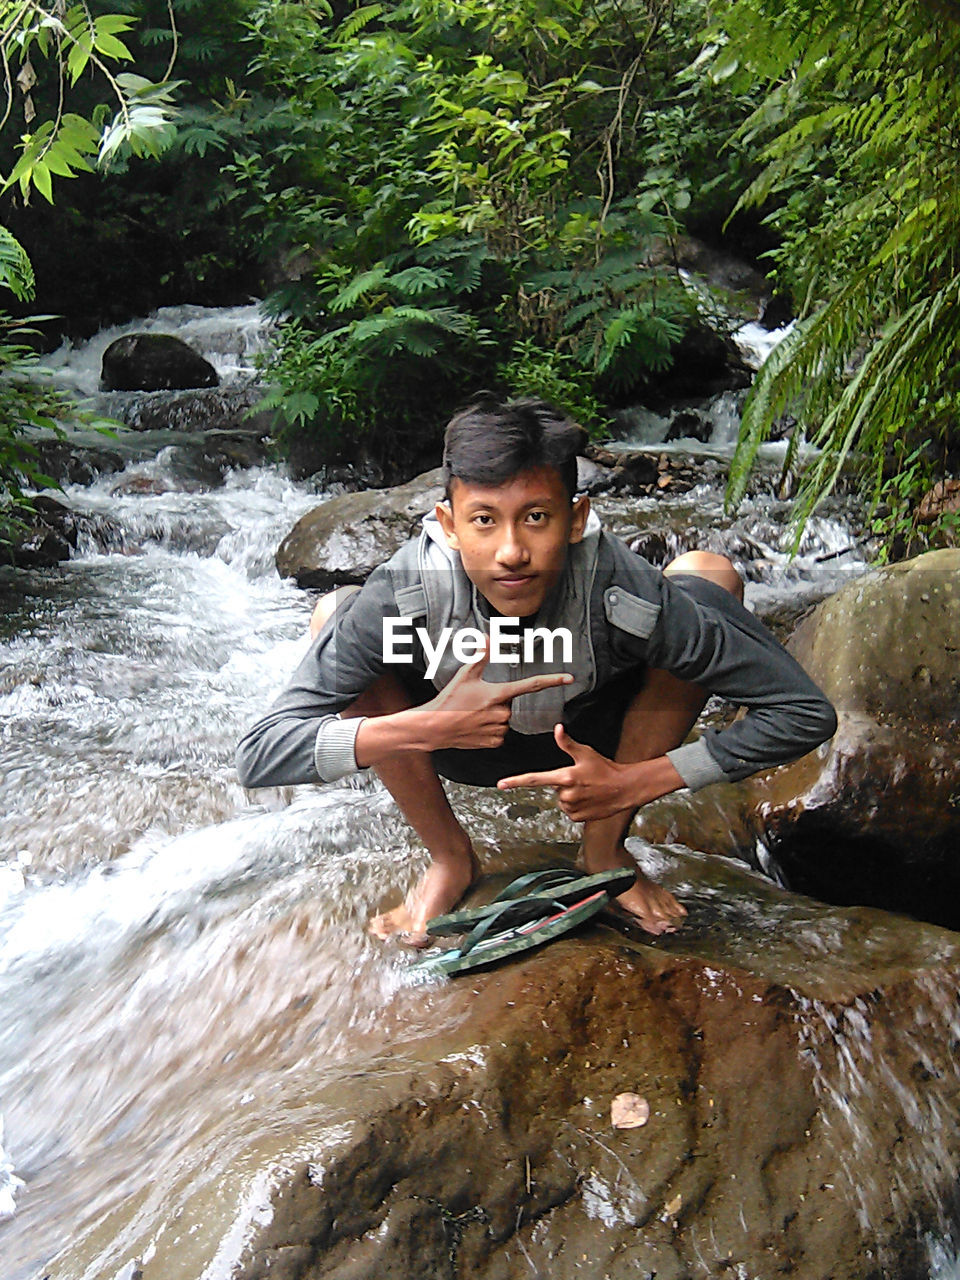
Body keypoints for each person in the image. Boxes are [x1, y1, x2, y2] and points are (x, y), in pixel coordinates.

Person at [236, 398, 837, 941]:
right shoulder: (401, 596)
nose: (510, 552)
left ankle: (604, 851)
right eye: (483, 520)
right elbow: (261, 754)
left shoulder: (623, 592)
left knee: (709, 577)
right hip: (453, 743)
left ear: (576, 520)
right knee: (333, 612)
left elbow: (804, 712)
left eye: (536, 518)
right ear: (448, 525)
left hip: (595, 750)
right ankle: (449, 858)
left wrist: (641, 780)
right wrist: (425, 726)